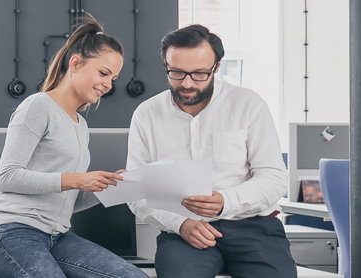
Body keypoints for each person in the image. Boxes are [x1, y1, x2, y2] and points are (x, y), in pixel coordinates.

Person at [0, 17, 148, 278]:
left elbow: (65, 199)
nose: (108, 84)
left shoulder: (79, 124)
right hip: (10, 229)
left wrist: (110, 187)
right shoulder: (38, 106)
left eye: (113, 78)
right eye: (103, 73)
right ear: (76, 63)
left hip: (55, 235)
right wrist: (79, 179)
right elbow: (8, 178)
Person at [125, 24, 294, 277]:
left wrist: (226, 201)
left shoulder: (248, 104)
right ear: (165, 64)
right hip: (185, 230)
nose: (187, 83)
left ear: (216, 67)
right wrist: (180, 223)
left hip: (254, 228)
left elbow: (274, 178)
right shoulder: (146, 114)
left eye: (199, 74)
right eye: (177, 73)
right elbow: (136, 189)